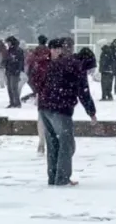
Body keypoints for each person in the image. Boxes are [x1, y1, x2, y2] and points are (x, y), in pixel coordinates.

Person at [40, 38, 97, 186]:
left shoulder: (61, 61)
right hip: (60, 108)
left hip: (45, 107)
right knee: (67, 145)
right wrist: (91, 112)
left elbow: (43, 80)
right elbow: (83, 92)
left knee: (53, 144)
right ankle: (62, 178)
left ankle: (53, 177)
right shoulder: (78, 67)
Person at [22, 35, 52, 153]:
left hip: (42, 91)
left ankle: (41, 141)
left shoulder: (35, 55)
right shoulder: (50, 55)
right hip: (52, 91)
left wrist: (36, 88)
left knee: (41, 117)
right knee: (52, 117)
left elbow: (29, 68)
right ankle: (49, 140)